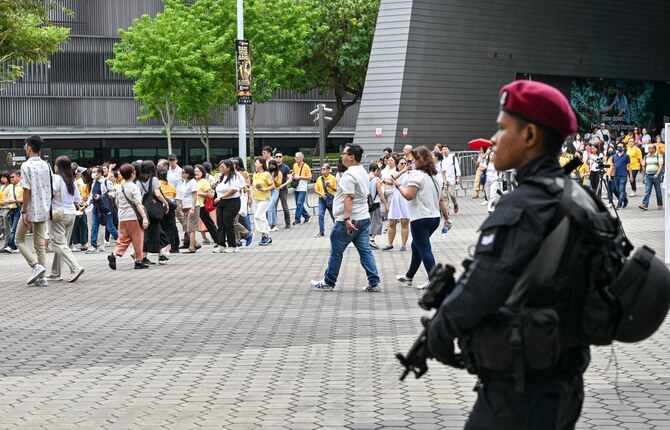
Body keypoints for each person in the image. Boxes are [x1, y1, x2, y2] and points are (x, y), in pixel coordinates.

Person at [427, 80, 591, 429]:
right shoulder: (579, 197)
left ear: (530, 136)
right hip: (565, 377)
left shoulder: (524, 203)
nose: (495, 138)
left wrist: (438, 333)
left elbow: (483, 286)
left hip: (519, 390)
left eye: (502, 128)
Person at [310, 144, 381, 292]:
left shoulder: (349, 175)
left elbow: (349, 197)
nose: (342, 156)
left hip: (348, 220)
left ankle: (329, 281)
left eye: (344, 154)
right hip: (363, 218)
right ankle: (374, 282)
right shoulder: (362, 172)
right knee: (365, 251)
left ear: (352, 157)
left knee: (336, 252)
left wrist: (347, 219)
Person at [393, 146, 445, 290]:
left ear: (419, 159)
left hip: (420, 217)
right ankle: (409, 276)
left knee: (424, 249)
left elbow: (409, 196)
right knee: (416, 246)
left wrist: (398, 186)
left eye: (414, 159)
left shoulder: (417, 175)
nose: (412, 162)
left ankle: (434, 281)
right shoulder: (436, 176)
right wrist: (447, 218)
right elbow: (441, 200)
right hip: (434, 217)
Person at [15, 135, 51, 286]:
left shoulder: (26, 166)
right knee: (39, 244)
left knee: (19, 239)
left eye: (25, 146)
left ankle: (35, 266)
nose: (25, 148)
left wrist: (24, 210)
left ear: (29, 147)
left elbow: (26, 190)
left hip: (30, 208)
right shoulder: (46, 165)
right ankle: (43, 278)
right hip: (44, 208)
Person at [46, 155, 85, 283]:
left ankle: (75, 267)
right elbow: (77, 200)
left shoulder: (56, 178)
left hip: (58, 214)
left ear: (57, 167)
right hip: (71, 214)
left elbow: (51, 194)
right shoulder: (71, 180)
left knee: (57, 243)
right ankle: (56, 272)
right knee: (63, 244)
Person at [108, 163, 150, 270]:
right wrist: (144, 218)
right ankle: (138, 261)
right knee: (138, 239)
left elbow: (117, 204)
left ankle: (114, 253)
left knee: (123, 239)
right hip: (134, 217)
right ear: (133, 173)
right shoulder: (134, 187)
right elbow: (138, 204)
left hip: (122, 217)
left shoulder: (119, 188)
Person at [137, 160, 170, 264]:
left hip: (144, 209)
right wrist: (166, 203)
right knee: (152, 233)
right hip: (153, 210)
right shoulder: (154, 179)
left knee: (155, 232)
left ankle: (161, 255)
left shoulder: (138, 181)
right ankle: (144, 257)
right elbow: (158, 194)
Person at [86, 166, 118, 254]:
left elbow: (113, 192)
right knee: (94, 227)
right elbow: (91, 195)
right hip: (96, 208)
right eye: (92, 172)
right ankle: (93, 245)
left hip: (105, 208)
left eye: (95, 172)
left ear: (100, 173)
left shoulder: (105, 182)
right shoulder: (94, 182)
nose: (93, 174)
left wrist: (101, 197)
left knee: (110, 227)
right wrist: (86, 205)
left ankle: (120, 240)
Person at [213, 160, 241, 253]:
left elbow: (233, 190)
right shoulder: (222, 177)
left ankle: (232, 245)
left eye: (223, 167)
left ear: (228, 168)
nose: (221, 168)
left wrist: (221, 197)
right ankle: (221, 244)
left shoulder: (234, 177)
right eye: (220, 166)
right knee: (220, 223)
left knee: (228, 223)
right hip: (221, 202)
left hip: (232, 202)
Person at [383, 156, 410, 252]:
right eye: (402, 163)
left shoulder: (409, 173)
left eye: (405, 163)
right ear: (397, 164)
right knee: (392, 222)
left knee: (405, 222)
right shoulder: (394, 172)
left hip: (405, 198)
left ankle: (403, 244)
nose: (404, 165)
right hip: (396, 197)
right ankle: (389, 243)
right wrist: (402, 171)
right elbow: (391, 180)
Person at [251, 157, 274, 246]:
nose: (255, 164)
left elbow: (272, 185)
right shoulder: (255, 174)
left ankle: (265, 234)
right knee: (261, 217)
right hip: (256, 198)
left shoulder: (266, 174)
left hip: (265, 198)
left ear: (261, 164)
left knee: (258, 216)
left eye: (256, 162)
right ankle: (265, 236)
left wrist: (264, 189)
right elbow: (253, 186)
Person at [179, 165, 199, 253]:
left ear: (188, 174)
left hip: (192, 206)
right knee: (186, 227)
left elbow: (195, 195)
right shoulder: (184, 182)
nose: (182, 174)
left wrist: (193, 208)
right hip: (185, 207)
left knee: (191, 227)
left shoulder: (192, 182)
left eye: (183, 172)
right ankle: (196, 243)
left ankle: (192, 247)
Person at [367, 162, 387, 248]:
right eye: (378, 171)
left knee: (369, 222)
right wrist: (386, 204)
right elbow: (380, 193)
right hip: (375, 203)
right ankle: (371, 239)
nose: (379, 173)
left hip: (366, 203)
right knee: (378, 221)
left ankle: (368, 238)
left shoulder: (365, 178)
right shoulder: (376, 180)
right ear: (375, 170)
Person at [639, 144, 664, 210]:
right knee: (647, 190)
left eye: (650, 148)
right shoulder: (646, 157)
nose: (649, 150)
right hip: (648, 176)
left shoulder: (659, 156)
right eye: (648, 148)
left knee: (658, 191)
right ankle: (645, 204)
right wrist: (643, 177)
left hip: (656, 176)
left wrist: (657, 174)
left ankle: (660, 203)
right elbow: (644, 167)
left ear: (654, 149)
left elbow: (660, 166)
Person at [314, 163, 336, 237]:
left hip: (330, 199)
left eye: (324, 169)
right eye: (321, 169)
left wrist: (330, 186)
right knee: (320, 215)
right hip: (322, 199)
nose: (322, 170)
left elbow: (337, 189)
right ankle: (321, 231)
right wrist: (321, 194)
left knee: (333, 216)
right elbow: (316, 189)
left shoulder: (333, 178)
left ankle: (337, 231)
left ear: (328, 170)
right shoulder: (319, 178)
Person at [3, 170, 22, 253]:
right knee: (13, 229)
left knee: (13, 228)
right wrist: (6, 201)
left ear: (19, 177)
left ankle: (10, 246)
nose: (11, 179)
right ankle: (15, 247)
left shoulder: (22, 186)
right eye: (10, 177)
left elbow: (25, 199)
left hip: (18, 209)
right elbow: (4, 196)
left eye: (13, 177)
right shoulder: (10, 187)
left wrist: (15, 201)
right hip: (11, 210)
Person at [273, 152, 293, 229]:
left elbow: (290, 179)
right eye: (277, 156)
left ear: (282, 158)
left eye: (280, 156)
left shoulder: (285, 167)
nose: (278, 158)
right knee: (273, 207)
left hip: (283, 190)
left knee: (285, 206)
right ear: (274, 158)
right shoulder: (273, 167)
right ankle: (273, 223)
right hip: (275, 190)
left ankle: (288, 223)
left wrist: (283, 185)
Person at [292, 152, 312, 225]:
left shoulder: (306, 166)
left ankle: (297, 219)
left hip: (302, 187)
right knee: (298, 204)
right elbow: (294, 173)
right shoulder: (294, 165)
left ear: (301, 158)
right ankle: (306, 215)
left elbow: (310, 177)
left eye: (297, 157)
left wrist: (300, 177)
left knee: (299, 203)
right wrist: (293, 176)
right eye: (295, 157)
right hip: (296, 186)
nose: (296, 158)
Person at [441, 145, 461, 215]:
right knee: (445, 196)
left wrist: (458, 178)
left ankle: (455, 204)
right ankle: (446, 211)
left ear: (449, 150)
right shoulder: (442, 159)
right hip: (444, 179)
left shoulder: (453, 157)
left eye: (446, 149)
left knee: (452, 194)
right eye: (443, 149)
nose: (444, 150)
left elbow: (457, 168)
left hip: (452, 178)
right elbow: (442, 171)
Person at [612, 143, 632, 209]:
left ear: (623, 148)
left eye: (620, 147)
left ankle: (619, 204)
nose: (619, 148)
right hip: (616, 175)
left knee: (621, 190)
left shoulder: (626, 156)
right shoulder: (614, 156)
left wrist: (631, 176)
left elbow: (629, 166)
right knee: (617, 190)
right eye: (618, 147)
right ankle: (625, 200)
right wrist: (610, 174)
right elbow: (613, 166)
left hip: (623, 175)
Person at [266, 159, 283, 232]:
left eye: (273, 165)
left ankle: (269, 224)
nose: (271, 166)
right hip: (269, 191)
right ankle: (274, 224)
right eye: (270, 165)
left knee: (269, 208)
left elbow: (279, 184)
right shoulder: (267, 173)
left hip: (275, 191)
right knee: (272, 208)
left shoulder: (279, 173)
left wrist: (273, 179)